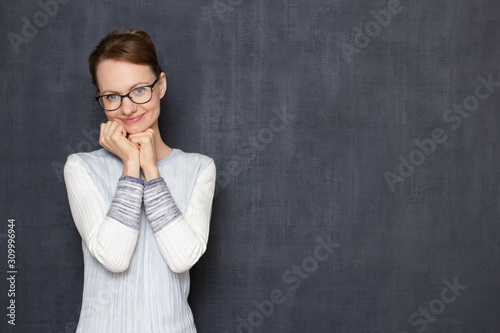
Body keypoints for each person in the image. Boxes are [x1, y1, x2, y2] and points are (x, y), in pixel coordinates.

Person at [63, 29, 216, 332]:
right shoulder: (81, 167)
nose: (128, 107)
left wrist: (151, 169)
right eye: (112, 96)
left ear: (160, 85)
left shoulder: (199, 169)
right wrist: (131, 164)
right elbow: (115, 257)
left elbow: (182, 258)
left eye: (139, 90)